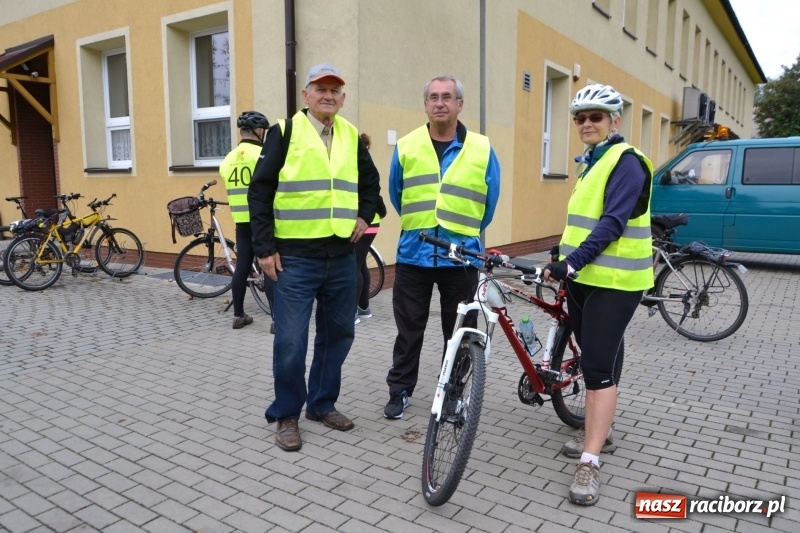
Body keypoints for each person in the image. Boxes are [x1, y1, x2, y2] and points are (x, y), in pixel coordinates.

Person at [248, 63, 382, 452]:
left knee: (339, 333)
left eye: (335, 90)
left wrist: (365, 214)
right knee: (290, 339)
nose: (327, 95)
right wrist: (264, 248)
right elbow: (260, 191)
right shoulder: (284, 132)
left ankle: (321, 403)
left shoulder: (351, 135)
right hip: (294, 258)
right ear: (306, 95)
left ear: (342, 98)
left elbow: (370, 185)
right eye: (319, 88)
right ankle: (287, 413)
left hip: (341, 255)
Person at [543, 84, 653, 506]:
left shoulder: (626, 163)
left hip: (615, 283)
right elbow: (581, 223)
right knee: (594, 355)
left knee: (597, 369)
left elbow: (611, 223)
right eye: (580, 118)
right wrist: (561, 252)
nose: (587, 123)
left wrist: (571, 263)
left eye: (596, 117)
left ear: (614, 122)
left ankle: (590, 461)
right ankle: (597, 432)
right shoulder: (593, 162)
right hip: (584, 279)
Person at [383, 74, 501, 419]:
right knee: (408, 331)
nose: (439, 102)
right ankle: (400, 390)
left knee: (461, 332)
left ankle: (452, 394)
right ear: (425, 104)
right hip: (413, 254)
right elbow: (397, 194)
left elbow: (489, 202)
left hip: (461, 258)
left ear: (460, 104)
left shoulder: (481, 147)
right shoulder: (407, 145)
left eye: (447, 97)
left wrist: (466, 234)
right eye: (433, 97)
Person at [220, 111, 275, 331]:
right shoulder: (263, 155)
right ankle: (275, 319)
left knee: (242, 266)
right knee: (270, 267)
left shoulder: (228, 158)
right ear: (259, 131)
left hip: (241, 221)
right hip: (262, 221)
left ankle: (238, 315)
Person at [354, 133, 387, 324]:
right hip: (373, 223)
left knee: (354, 266)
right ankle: (364, 308)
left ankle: (352, 313)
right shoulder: (368, 164)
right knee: (361, 265)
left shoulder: (356, 166)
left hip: (361, 223)